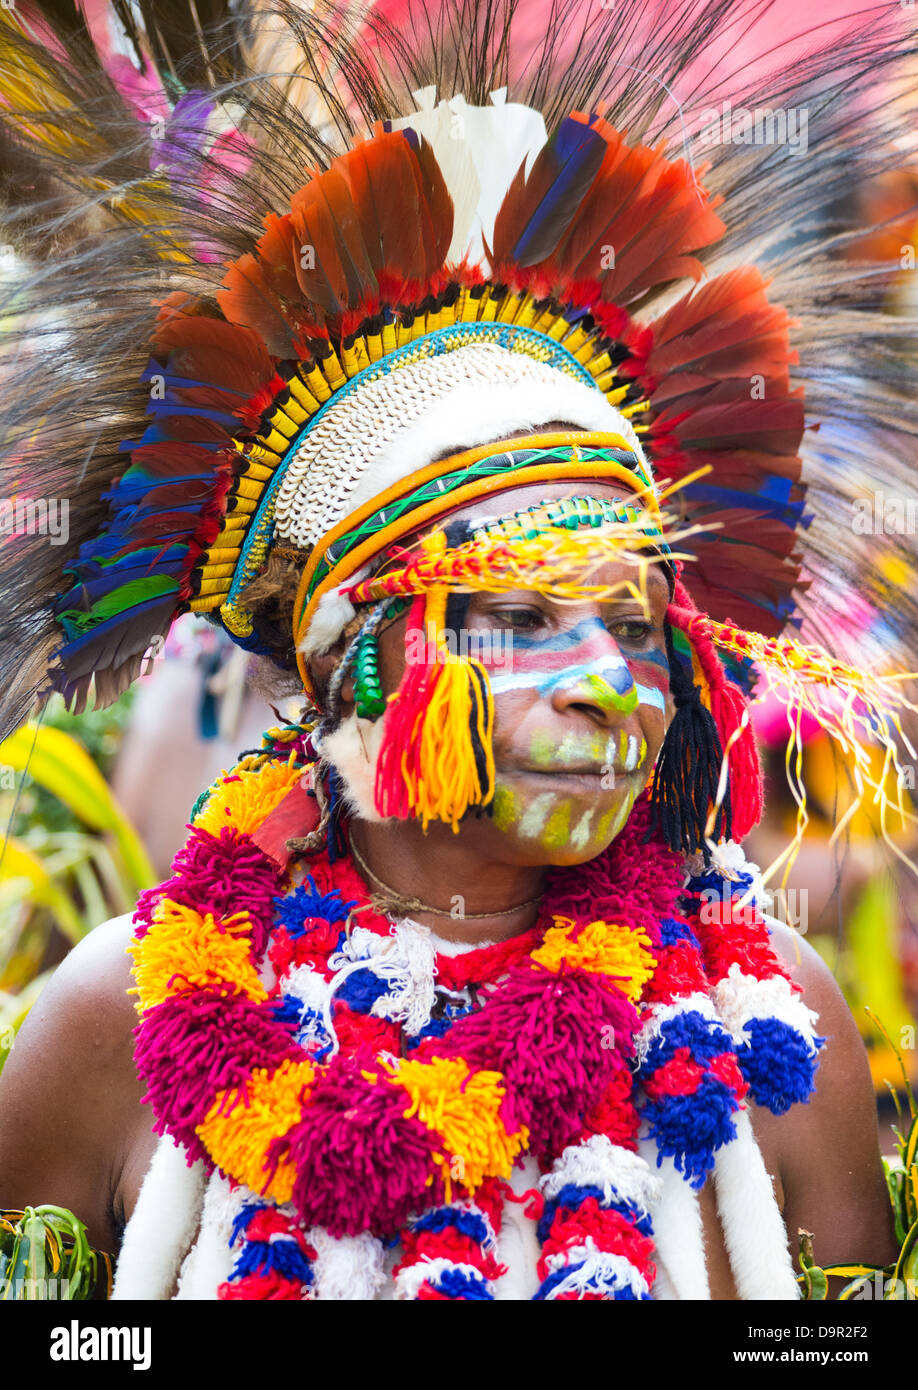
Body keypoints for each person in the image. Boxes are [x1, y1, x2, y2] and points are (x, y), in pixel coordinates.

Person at [0, 0, 916, 1301]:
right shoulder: (118, 1022)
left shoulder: (764, 1015)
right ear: (342, 667)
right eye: (527, 619)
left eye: (634, 624)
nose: (609, 685)